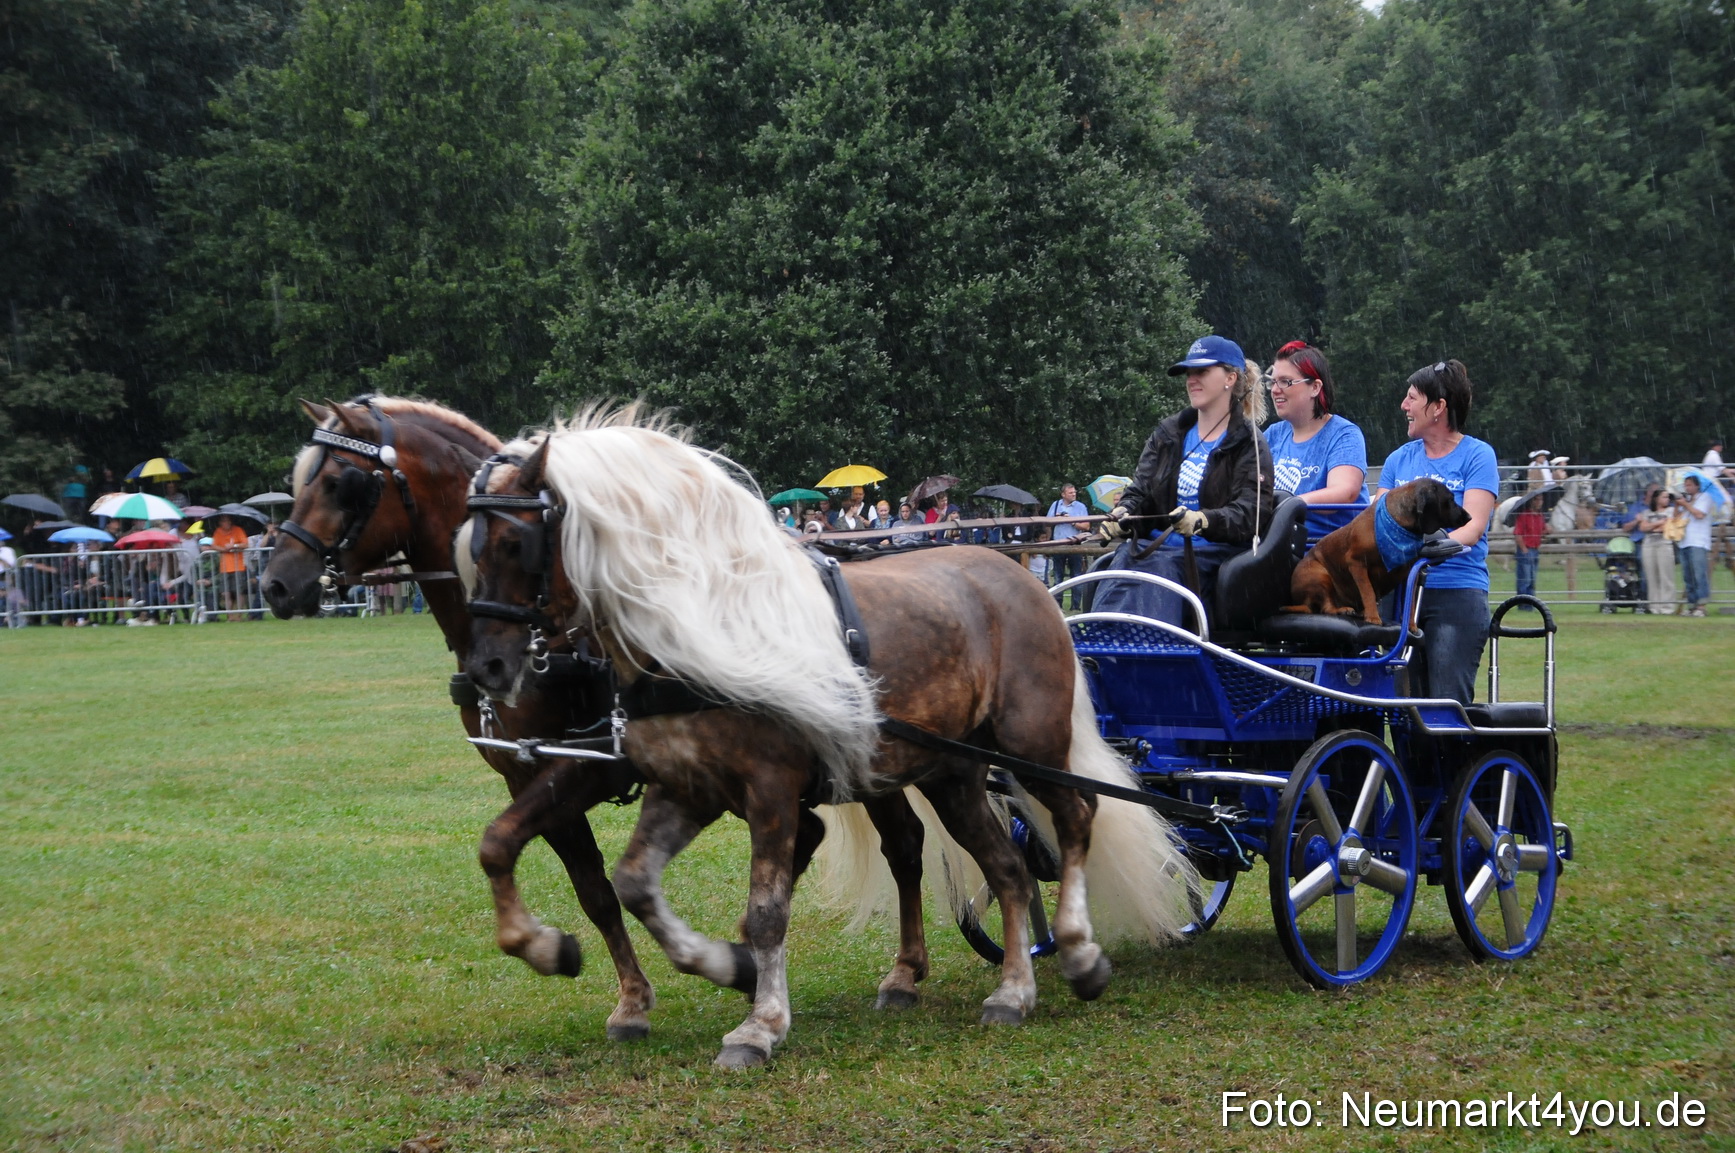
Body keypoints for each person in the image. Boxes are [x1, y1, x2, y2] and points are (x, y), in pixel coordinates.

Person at [1096, 334, 1273, 626]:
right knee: (1123, 559)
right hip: (1159, 549)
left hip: (1211, 556)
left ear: (1230, 378)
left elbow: (1251, 514)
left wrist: (1204, 520)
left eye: (1202, 371)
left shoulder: (1250, 443)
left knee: (1162, 566)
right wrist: (1123, 514)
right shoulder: (1168, 433)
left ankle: (1155, 652)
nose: (1192, 379)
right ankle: (1098, 647)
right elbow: (1141, 491)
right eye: (1189, 373)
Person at [1373, 359, 1499, 705]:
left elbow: (1473, 525)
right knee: (1402, 707)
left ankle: (1453, 760)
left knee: (1445, 705)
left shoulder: (1477, 455)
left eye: (1412, 397)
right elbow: (1378, 521)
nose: (1404, 406)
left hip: (1456, 595)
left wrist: (1431, 546)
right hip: (1401, 597)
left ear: (1438, 407)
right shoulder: (1398, 460)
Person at [1261, 341, 1368, 539]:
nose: (1275, 390)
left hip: (1328, 553)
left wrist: (1290, 504)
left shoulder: (1344, 435)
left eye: (1285, 381)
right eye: (1273, 382)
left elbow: (1345, 493)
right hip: (1277, 546)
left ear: (1315, 387)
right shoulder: (1272, 435)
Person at [1638, 488, 1682, 614]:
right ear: (1656, 498)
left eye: (1668, 497)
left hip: (1664, 544)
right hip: (1648, 545)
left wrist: (1654, 526)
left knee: (1666, 575)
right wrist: (1659, 523)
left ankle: (1667, 607)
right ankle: (1654, 606)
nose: (1666, 500)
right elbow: (1643, 527)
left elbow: (1667, 526)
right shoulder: (1647, 512)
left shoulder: (1670, 511)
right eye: (1664, 497)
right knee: (1652, 576)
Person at [1679, 474, 1714, 616]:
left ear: (1697, 486)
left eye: (1690, 485)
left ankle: (1701, 606)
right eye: (1686, 485)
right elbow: (1678, 517)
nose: (1687, 488)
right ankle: (1692, 604)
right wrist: (1678, 505)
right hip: (1684, 541)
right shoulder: (1686, 500)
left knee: (1699, 574)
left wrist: (1686, 505)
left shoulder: (1705, 497)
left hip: (1699, 541)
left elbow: (1700, 515)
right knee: (1688, 576)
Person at [1045, 483, 1090, 587]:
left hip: (1075, 545)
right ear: (1063, 494)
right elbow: (1047, 523)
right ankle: (1057, 603)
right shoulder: (1055, 505)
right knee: (1057, 577)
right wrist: (1056, 519)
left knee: (1076, 578)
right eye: (1070, 493)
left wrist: (1072, 521)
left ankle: (1076, 604)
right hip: (1058, 545)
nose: (1074, 494)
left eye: (1074, 492)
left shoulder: (1081, 507)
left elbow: (1087, 526)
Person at [211, 514, 250, 616]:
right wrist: (223, 549)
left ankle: (239, 615)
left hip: (238, 566)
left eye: (228, 521)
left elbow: (245, 544)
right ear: (220, 523)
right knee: (226, 593)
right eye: (224, 521)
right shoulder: (218, 532)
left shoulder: (238, 530)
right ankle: (230, 615)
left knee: (239, 592)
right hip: (224, 567)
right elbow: (214, 545)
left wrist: (234, 546)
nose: (226, 523)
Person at [1513, 494, 1546, 597]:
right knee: (1525, 579)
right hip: (1526, 549)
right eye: (1536, 500)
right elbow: (1518, 534)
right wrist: (1523, 549)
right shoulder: (1524, 515)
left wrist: (1548, 530)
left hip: (1535, 549)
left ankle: (1530, 604)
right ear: (1532, 501)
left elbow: (1541, 531)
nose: (1539, 502)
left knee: (1532, 579)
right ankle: (1523, 603)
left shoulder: (1540, 516)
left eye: (1541, 500)